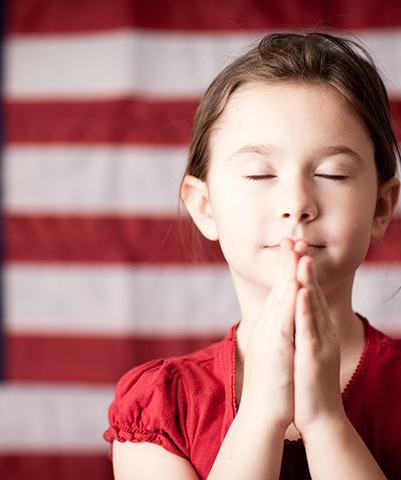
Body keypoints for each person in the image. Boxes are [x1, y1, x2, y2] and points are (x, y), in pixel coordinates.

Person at [102, 31, 401, 479]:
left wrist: (325, 421)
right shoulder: (162, 408)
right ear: (205, 207)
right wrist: (261, 414)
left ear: (381, 207)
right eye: (260, 174)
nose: (296, 202)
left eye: (332, 173)